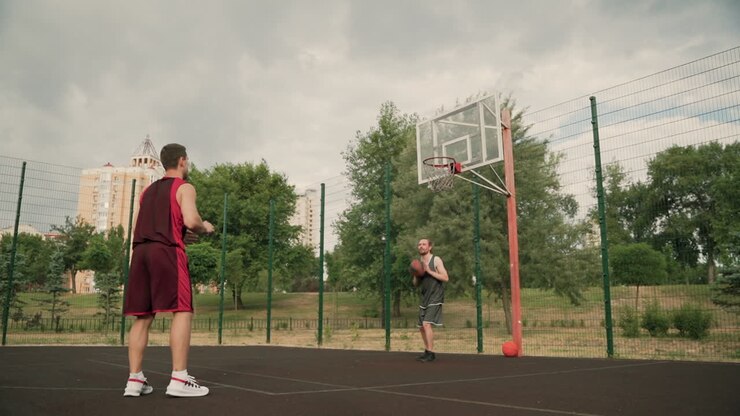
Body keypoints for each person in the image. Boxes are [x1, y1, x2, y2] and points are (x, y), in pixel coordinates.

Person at [123, 143, 215, 397]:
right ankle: (179, 379)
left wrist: (176, 233)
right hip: (167, 252)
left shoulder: (147, 192)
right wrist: (205, 227)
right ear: (183, 161)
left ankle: (134, 380)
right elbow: (191, 220)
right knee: (182, 309)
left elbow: (139, 227)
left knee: (143, 315)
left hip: (140, 252)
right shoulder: (185, 187)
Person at [412, 238, 449, 362]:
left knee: (426, 324)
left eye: (424, 244)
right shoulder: (419, 262)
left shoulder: (436, 260)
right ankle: (427, 350)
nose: (421, 246)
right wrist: (416, 274)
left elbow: (445, 277)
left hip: (436, 296)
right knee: (421, 327)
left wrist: (429, 271)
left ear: (430, 247)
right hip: (425, 297)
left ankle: (431, 353)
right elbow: (415, 284)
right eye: (419, 244)